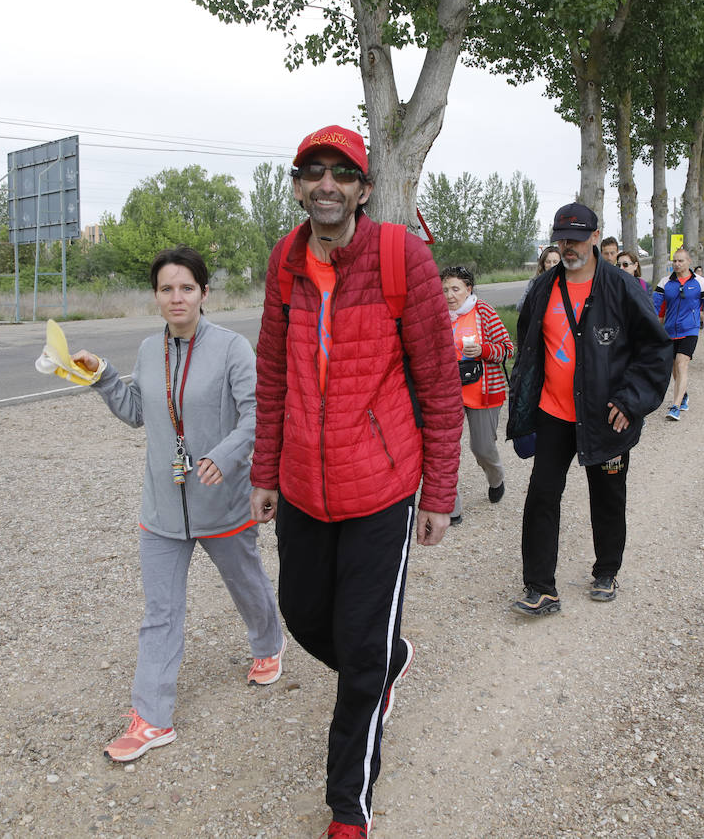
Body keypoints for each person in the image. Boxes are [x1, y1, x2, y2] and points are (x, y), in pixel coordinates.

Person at [249, 124, 463, 839]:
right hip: (302, 487)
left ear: (363, 190)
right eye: (313, 171)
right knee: (304, 616)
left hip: (382, 488)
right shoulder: (285, 260)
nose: (327, 184)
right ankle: (386, 663)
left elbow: (438, 383)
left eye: (341, 173)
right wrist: (265, 472)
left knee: (361, 651)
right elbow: (272, 373)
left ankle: (349, 809)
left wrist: (438, 493)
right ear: (298, 186)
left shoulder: (402, 258)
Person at [71, 247, 285, 764]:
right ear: (156, 296)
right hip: (162, 508)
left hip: (223, 502)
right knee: (160, 613)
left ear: (204, 293)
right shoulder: (149, 350)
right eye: (166, 289)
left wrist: (224, 456)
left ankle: (268, 644)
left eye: (186, 287)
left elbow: (257, 414)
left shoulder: (232, 348)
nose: (176, 298)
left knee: (247, 583)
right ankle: (151, 718)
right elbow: (137, 412)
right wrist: (103, 375)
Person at [506, 203, 672, 612]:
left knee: (607, 496)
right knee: (542, 495)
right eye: (562, 239)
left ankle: (607, 570)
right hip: (553, 413)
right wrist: (524, 400)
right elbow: (528, 346)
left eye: (577, 239)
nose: (569, 247)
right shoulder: (543, 288)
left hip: (607, 415)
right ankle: (540, 586)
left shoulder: (622, 287)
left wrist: (631, 401)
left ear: (595, 237)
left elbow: (655, 350)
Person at [441, 265, 514, 524]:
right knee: (444, 450)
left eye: (455, 289)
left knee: (482, 447)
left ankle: (496, 479)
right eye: (445, 289)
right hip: (447, 392)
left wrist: (482, 350)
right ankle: (452, 508)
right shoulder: (438, 314)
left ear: (468, 289)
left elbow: (507, 349)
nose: (449, 295)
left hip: (483, 391)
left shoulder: (483, 311)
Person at [652, 247, 704, 420]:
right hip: (669, 332)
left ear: (689, 262)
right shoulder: (665, 282)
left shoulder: (700, 282)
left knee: (681, 364)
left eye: (680, 261)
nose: (677, 264)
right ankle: (683, 395)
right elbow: (654, 307)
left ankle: (675, 407)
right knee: (674, 368)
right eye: (674, 261)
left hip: (690, 330)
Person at [517, 245, 560, 311]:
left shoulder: (568, 282)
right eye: (548, 262)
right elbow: (520, 307)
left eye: (555, 262)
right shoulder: (535, 282)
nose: (552, 265)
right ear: (543, 264)